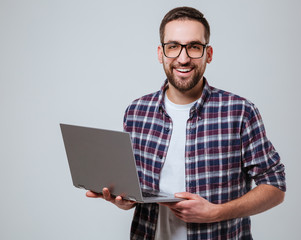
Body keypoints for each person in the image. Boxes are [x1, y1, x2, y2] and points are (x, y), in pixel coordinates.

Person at [86, 6, 286, 240]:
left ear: (208, 54)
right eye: (173, 47)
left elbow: (275, 186)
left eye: (193, 47)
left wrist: (216, 212)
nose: (183, 58)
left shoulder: (240, 112)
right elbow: (136, 193)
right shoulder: (136, 112)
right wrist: (123, 201)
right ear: (160, 53)